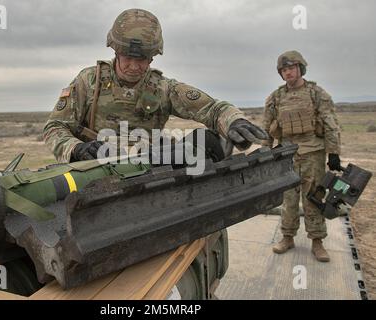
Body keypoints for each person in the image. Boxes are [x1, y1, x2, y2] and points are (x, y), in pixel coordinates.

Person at [43, 8, 268, 299]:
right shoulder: (89, 82)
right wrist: (75, 149)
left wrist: (234, 121)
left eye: (144, 59)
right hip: (91, 185)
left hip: (143, 185)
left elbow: (212, 108)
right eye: (129, 57)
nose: (136, 66)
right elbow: (54, 127)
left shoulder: (162, 88)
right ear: (115, 49)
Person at [263, 50, 341, 262]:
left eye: (291, 68)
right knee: (288, 199)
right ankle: (287, 237)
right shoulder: (276, 97)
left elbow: (330, 123)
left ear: (300, 68)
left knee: (314, 199)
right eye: (284, 70)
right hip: (287, 154)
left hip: (313, 154)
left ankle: (317, 242)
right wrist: (266, 151)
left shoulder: (317, 94)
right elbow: (266, 126)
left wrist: (333, 153)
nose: (288, 73)